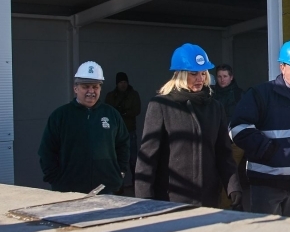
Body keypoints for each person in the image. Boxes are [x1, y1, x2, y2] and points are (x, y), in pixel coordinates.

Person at [135, 43, 244, 209]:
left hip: (208, 199)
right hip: (171, 200)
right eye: (194, 74)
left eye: (203, 73)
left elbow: (223, 153)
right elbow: (147, 158)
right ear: (180, 74)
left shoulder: (215, 107)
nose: (200, 79)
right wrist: (144, 200)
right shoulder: (161, 105)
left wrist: (233, 187)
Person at [229, 40, 290, 218]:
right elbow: (237, 128)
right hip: (266, 186)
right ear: (282, 67)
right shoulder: (261, 94)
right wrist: (267, 149)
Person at [38, 61, 129, 194]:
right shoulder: (61, 116)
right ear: (76, 88)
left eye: (95, 87)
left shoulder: (111, 114)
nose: (91, 91)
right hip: (69, 190)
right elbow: (47, 151)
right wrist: (56, 179)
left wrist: (120, 172)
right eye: (86, 86)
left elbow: (123, 144)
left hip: (107, 188)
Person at [211, 64, 248, 210]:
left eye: (225, 76)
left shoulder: (240, 95)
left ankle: (228, 207)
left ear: (231, 77)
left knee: (230, 174)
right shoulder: (210, 95)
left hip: (235, 142)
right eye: (219, 76)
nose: (222, 80)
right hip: (215, 141)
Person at [105, 71, 141, 186]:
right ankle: (117, 185)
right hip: (115, 133)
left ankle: (137, 185)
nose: (123, 84)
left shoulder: (133, 94)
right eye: (121, 82)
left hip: (130, 131)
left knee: (133, 159)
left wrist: (124, 113)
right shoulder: (111, 96)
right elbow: (107, 111)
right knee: (115, 159)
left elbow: (137, 110)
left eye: (125, 82)